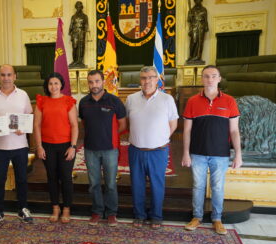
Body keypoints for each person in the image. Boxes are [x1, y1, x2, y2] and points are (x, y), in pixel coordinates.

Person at [182, 65, 242, 235]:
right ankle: (197, 217)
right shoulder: (192, 101)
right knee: (198, 186)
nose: (210, 79)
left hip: (220, 154)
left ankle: (217, 219)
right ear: (202, 78)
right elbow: (186, 130)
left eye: (213, 76)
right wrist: (186, 153)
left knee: (217, 187)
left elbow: (234, 130)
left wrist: (238, 154)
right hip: (197, 153)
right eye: (206, 76)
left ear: (219, 79)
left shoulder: (229, 101)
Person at [125, 66, 179, 229]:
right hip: (136, 150)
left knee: (157, 184)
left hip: (158, 151)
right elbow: (128, 122)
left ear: (157, 79)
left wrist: (159, 138)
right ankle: (139, 215)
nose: (146, 81)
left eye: (150, 77)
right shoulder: (131, 99)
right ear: (139, 80)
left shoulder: (167, 99)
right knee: (137, 184)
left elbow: (173, 124)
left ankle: (156, 216)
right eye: (143, 78)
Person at [0, 64, 34, 227]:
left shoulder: (23, 95)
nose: (6, 78)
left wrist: (25, 128)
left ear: (15, 76)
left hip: (20, 145)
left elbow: (29, 115)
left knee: (21, 179)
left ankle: (23, 208)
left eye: (9, 75)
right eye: (3, 75)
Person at [79, 70, 126, 226]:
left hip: (110, 149)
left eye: (97, 81)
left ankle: (111, 213)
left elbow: (122, 124)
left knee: (111, 183)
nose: (94, 85)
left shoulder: (114, 101)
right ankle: (97, 211)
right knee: (94, 184)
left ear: (103, 81)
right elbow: (84, 124)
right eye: (91, 82)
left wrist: (108, 135)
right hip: (90, 149)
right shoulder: (83, 102)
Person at [34, 72, 78, 223]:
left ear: (61, 85)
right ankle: (55, 207)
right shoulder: (41, 101)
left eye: (56, 83)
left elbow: (74, 125)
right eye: (50, 83)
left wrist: (73, 146)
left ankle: (66, 208)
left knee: (66, 178)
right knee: (52, 178)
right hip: (47, 146)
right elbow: (37, 125)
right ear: (47, 86)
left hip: (66, 145)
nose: (53, 86)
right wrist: (39, 146)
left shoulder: (68, 101)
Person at [69, 1, 89, 68]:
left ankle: (80, 61)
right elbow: (71, 26)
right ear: (76, 7)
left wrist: (85, 31)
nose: (79, 8)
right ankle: (74, 61)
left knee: (81, 47)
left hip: (82, 33)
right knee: (75, 47)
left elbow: (86, 25)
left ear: (82, 8)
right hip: (74, 33)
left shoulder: (85, 16)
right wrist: (71, 34)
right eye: (77, 7)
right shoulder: (73, 17)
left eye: (80, 7)